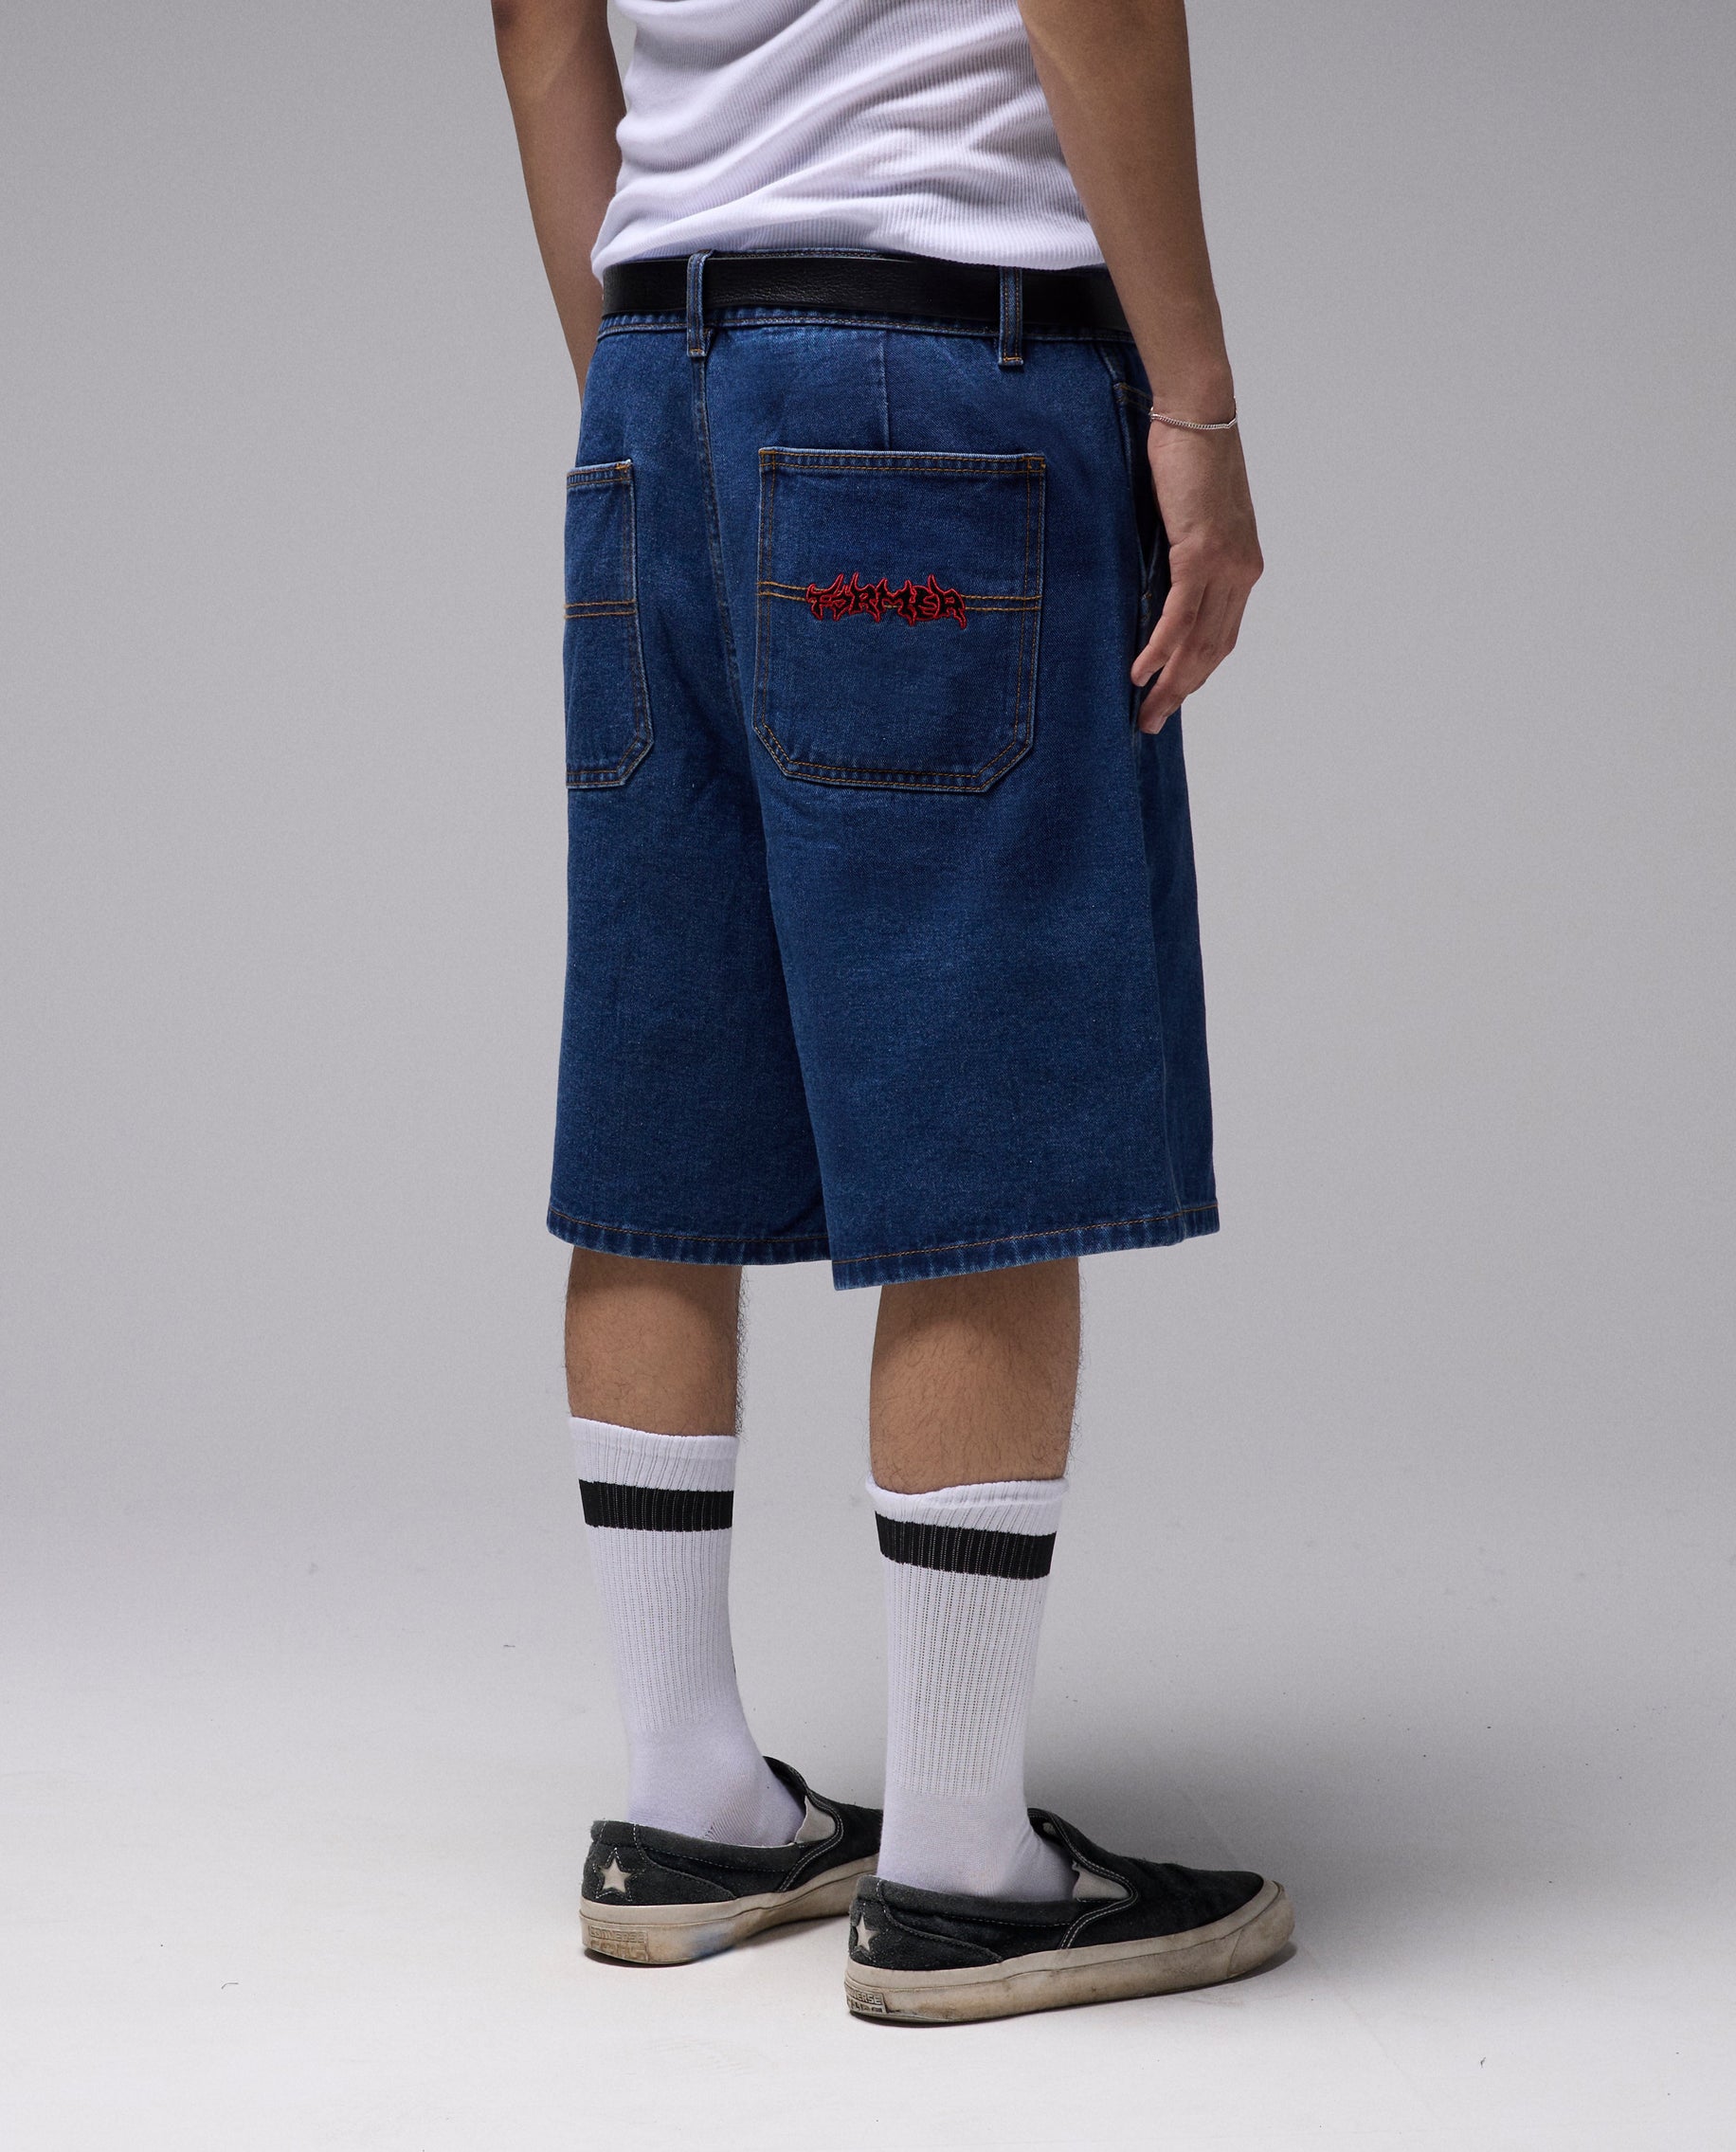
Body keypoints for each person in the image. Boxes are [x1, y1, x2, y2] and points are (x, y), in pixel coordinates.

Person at [491, 0, 1288, 2023]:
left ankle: (691, 1807)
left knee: (665, 1095)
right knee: (974, 1092)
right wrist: (1194, 408)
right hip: (931, 371)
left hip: (651, 381)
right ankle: (957, 1865)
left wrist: (656, 394)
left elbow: (536, 19)